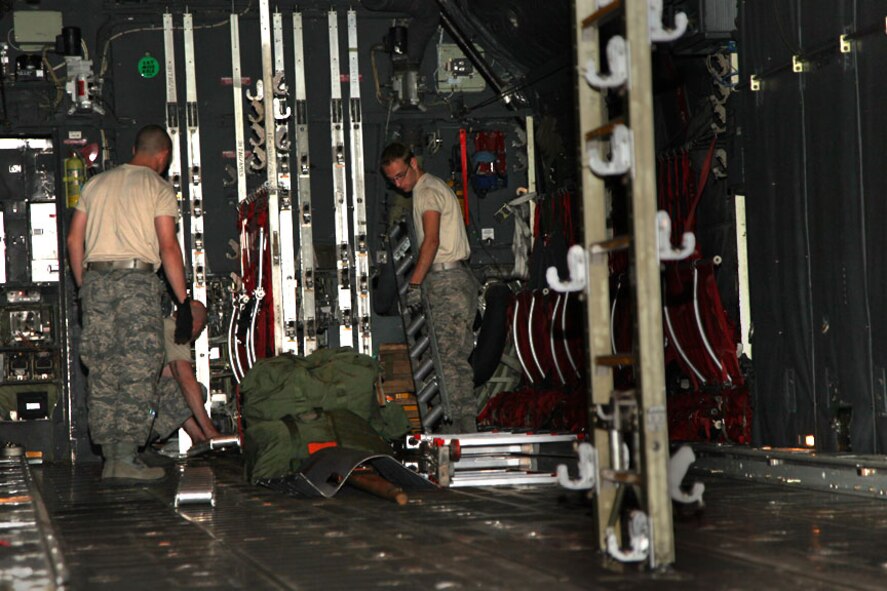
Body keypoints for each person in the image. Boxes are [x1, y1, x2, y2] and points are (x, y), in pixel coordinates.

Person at [66, 124, 189, 482]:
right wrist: (183, 302)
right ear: (163, 156)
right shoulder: (158, 187)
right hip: (136, 283)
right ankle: (126, 459)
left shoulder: (96, 183)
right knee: (138, 367)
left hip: (97, 281)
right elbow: (168, 246)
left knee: (103, 368)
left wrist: (83, 286)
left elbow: (75, 240)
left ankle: (111, 459)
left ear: (135, 148)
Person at [380, 143, 478, 433]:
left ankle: (459, 429)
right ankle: (464, 425)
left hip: (446, 282)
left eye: (401, 175)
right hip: (456, 280)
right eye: (393, 180)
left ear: (413, 163)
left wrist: (415, 283)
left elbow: (431, 241)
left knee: (448, 360)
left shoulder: (426, 192)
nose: (399, 184)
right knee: (455, 358)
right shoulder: (433, 187)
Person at [150, 300, 223, 445]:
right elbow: (186, 381)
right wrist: (211, 431)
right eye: (201, 329)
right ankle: (144, 441)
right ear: (196, 325)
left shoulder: (162, 327)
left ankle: (197, 437)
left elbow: (170, 378)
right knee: (197, 390)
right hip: (138, 408)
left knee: (176, 390)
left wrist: (199, 436)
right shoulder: (174, 330)